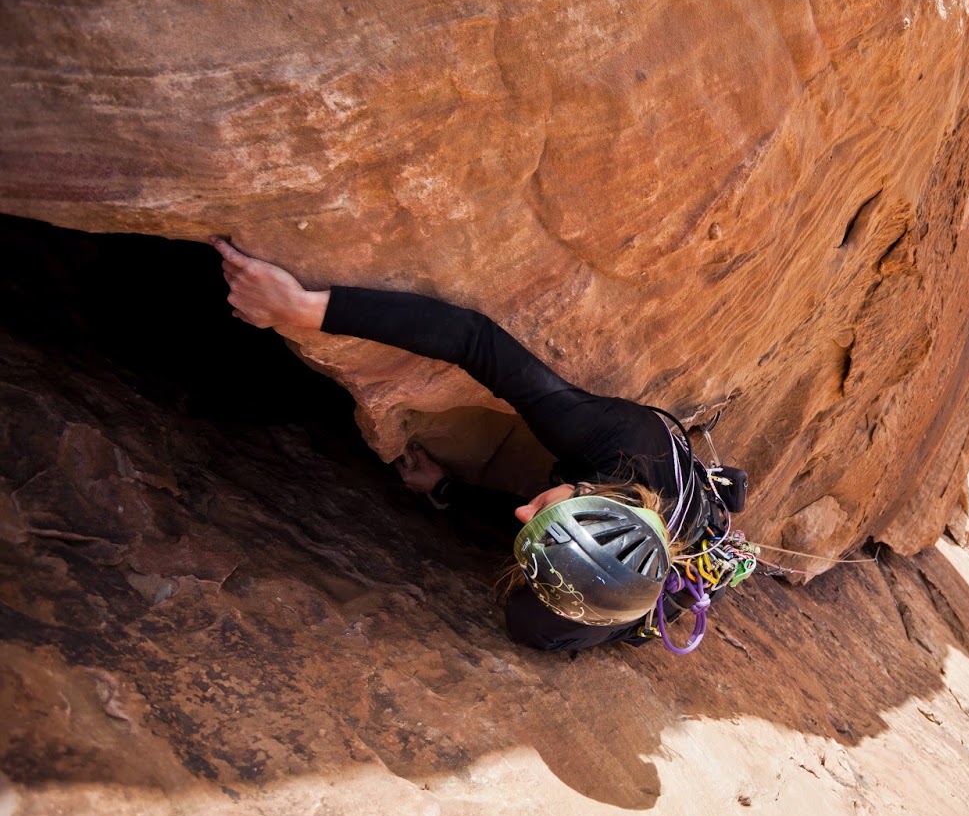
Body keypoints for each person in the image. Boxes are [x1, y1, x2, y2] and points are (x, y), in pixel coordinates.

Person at [211, 236, 751, 653]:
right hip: (673, 515)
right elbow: (474, 339)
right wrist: (306, 309)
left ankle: (648, 604)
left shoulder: (570, 613)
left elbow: (546, 546)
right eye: (542, 506)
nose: (521, 505)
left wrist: (450, 491)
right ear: (594, 493)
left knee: (531, 624)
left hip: (658, 591)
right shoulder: (621, 437)